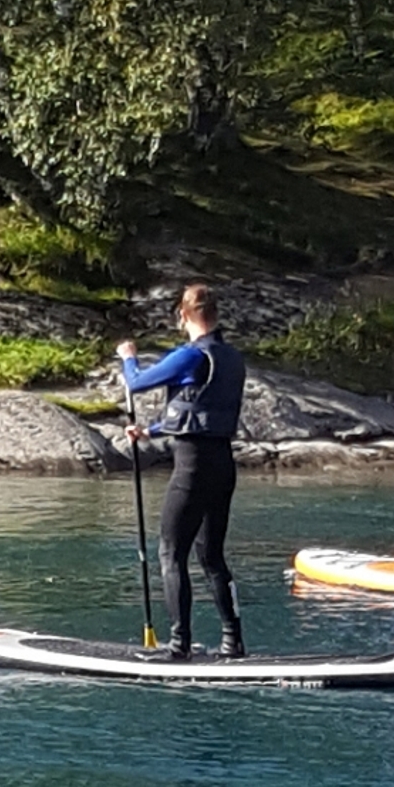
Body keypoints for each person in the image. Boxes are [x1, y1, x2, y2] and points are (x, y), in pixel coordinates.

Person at [114, 282, 247, 660]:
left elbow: (137, 383)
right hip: (223, 463)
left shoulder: (190, 356)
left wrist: (128, 356)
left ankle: (178, 646)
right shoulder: (232, 357)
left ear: (183, 315)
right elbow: (197, 407)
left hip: (192, 466)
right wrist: (151, 431)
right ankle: (232, 641)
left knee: (171, 553)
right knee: (212, 556)